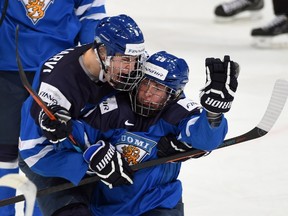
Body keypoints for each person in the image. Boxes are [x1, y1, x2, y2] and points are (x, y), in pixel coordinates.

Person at [19, 51, 239, 215]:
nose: (147, 94)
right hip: (108, 206)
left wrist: (212, 115)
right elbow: (78, 136)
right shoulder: (113, 107)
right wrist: (88, 149)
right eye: (145, 84)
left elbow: (204, 139)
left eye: (158, 91)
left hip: (158, 205)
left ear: (174, 94)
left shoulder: (179, 112)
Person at [18, 14, 146, 216]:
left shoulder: (112, 66)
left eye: (136, 59)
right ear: (102, 53)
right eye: (126, 60)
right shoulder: (59, 82)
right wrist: (90, 162)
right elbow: (34, 148)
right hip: (46, 157)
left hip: (94, 150)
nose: (132, 68)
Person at [0, 1, 106, 215]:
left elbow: (91, 15)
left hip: (58, 76)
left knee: (49, 149)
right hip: (7, 72)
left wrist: (94, 66)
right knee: (5, 152)